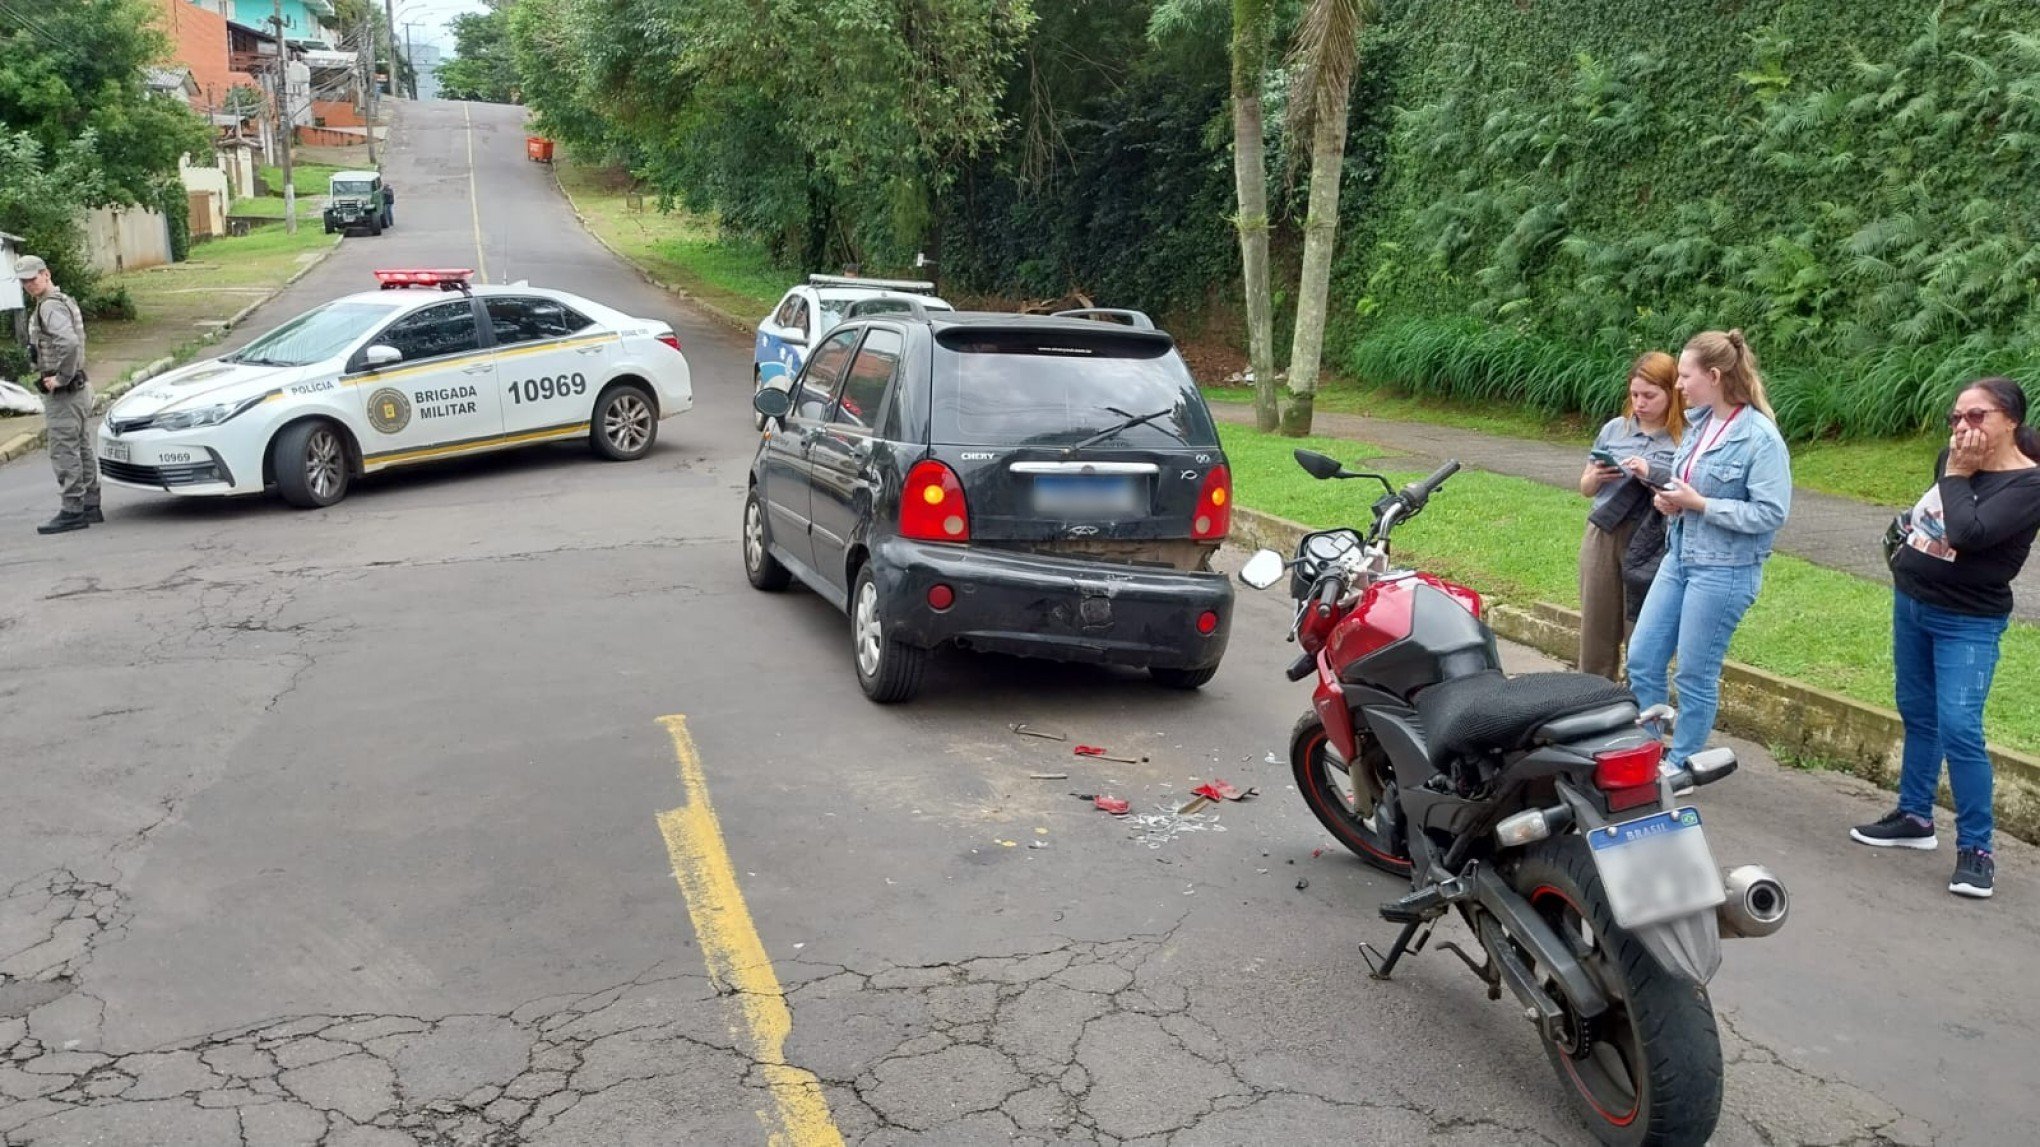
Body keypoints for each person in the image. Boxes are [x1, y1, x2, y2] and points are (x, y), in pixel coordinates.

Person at [1852, 378, 2040, 899]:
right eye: (1956, 418)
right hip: (1912, 605)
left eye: (1976, 418)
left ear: (2010, 422)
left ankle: (1977, 850)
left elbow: (1968, 533)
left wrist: (1958, 474)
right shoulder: (1949, 457)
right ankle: (1914, 817)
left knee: (1960, 729)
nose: (1962, 428)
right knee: (1916, 710)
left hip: (1968, 622)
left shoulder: (2028, 486)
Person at [1621, 329, 1792, 768]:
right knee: (1641, 657)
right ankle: (1645, 751)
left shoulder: (1760, 437)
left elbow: (1770, 514)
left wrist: (1699, 504)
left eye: (1684, 376)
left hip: (1725, 570)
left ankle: (1682, 762)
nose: (1678, 385)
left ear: (1714, 376)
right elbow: (1690, 487)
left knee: (1695, 672)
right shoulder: (1699, 425)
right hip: (1679, 557)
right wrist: (1671, 502)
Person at [1576, 352, 1684, 679]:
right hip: (1605, 532)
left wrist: (1653, 473)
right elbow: (1585, 486)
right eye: (1635, 394)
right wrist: (1596, 477)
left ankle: (1638, 706)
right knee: (1596, 626)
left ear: (1672, 393)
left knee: (1642, 629)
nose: (1640, 403)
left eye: (1650, 396)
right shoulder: (1615, 430)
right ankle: (1590, 702)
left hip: (1652, 538)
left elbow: (1689, 490)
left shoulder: (1686, 437)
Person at [18, 255, 100, 535]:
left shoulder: (50, 307)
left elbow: (69, 342)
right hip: (78, 388)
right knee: (81, 446)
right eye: (24, 280)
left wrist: (61, 377)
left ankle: (72, 510)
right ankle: (91, 504)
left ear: (46, 274)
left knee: (63, 450)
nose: (29, 284)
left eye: (33, 278)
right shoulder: (62, 300)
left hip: (66, 392)